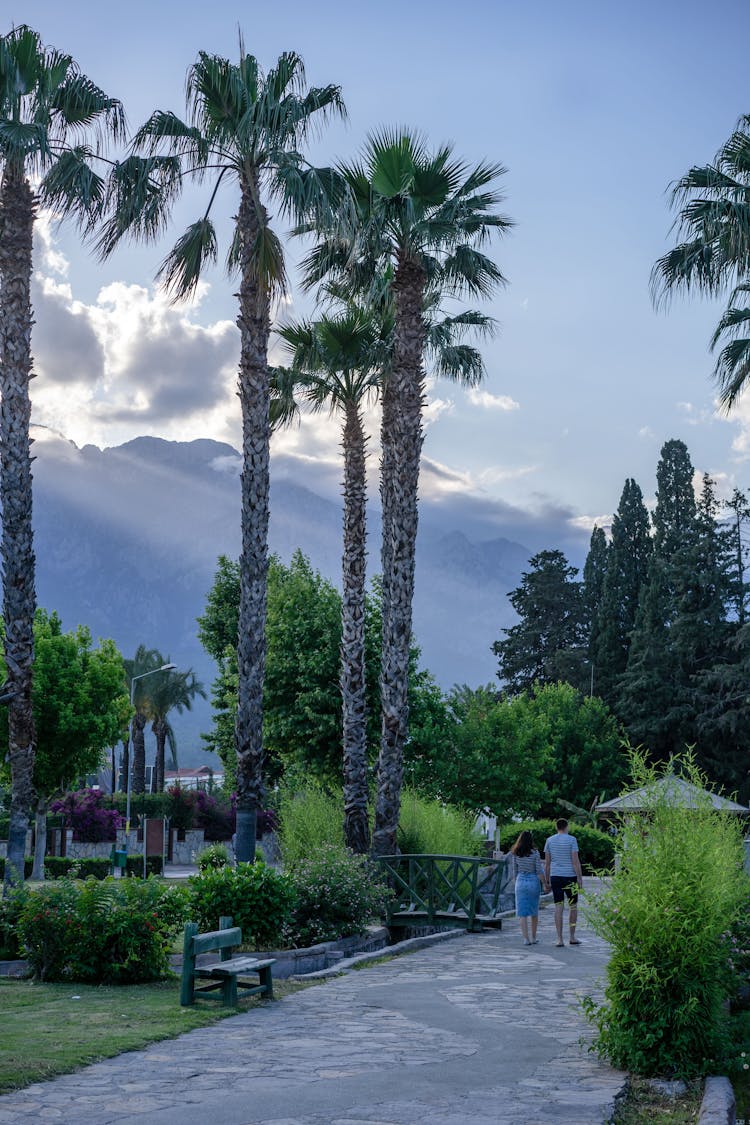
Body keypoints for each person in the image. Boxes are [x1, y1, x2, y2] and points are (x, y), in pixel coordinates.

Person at [544, 817, 583, 947]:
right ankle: (572, 936)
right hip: (570, 877)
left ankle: (559, 939)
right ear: (566, 827)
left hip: (556, 877)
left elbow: (547, 863)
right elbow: (575, 861)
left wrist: (547, 881)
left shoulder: (549, 840)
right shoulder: (572, 840)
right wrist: (579, 878)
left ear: (557, 827)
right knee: (573, 907)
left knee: (558, 907)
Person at [507, 829, 546, 945]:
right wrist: (544, 883)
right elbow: (539, 871)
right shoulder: (535, 853)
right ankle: (534, 938)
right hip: (533, 882)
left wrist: (516, 883)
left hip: (521, 883)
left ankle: (525, 939)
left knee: (522, 912)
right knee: (534, 912)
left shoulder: (515, 852)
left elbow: (514, 871)